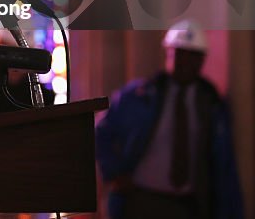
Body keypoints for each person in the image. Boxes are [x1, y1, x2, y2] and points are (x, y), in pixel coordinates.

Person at [95, 20, 244, 219]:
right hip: (140, 199)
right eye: (179, 53)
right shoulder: (139, 95)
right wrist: (113, 172)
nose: (184, 62)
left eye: (192, 56)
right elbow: (101, 132)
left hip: (187, 205)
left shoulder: (211, 105)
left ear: (201, 60)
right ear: (168, 54)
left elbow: (223, 164)